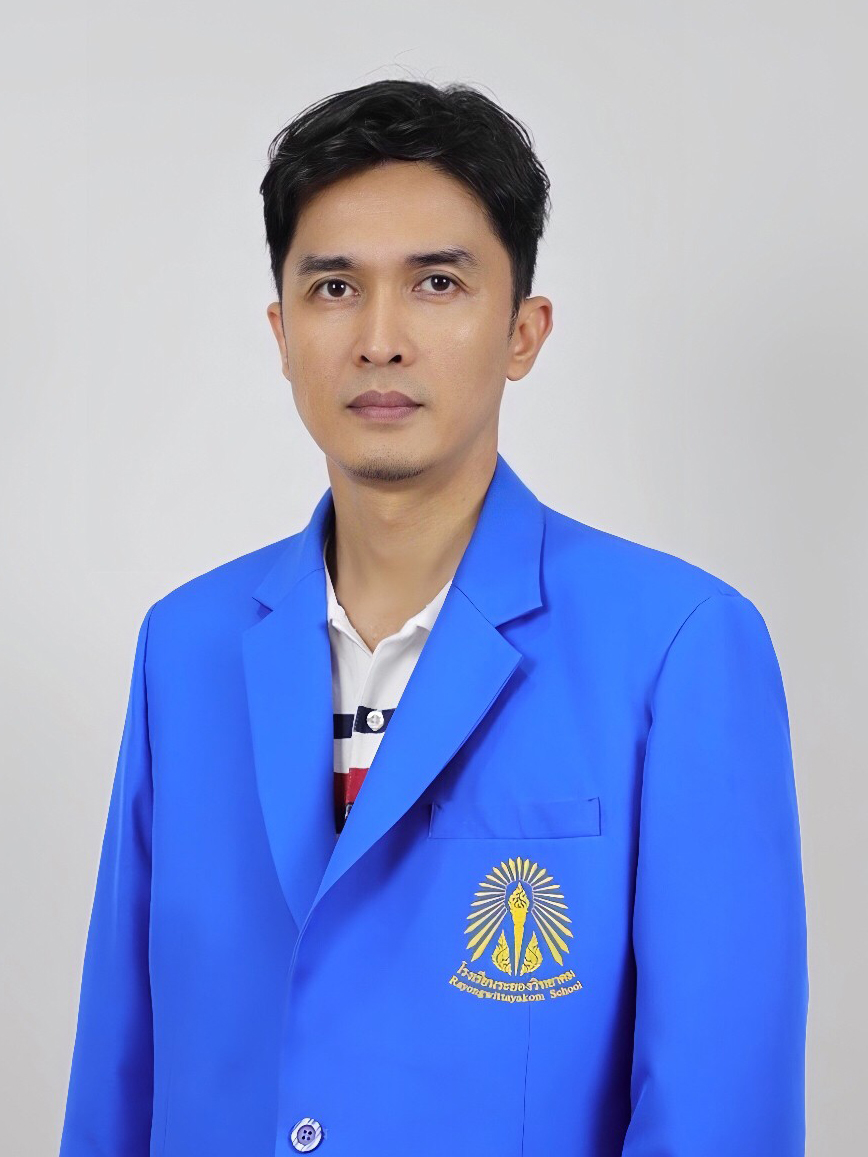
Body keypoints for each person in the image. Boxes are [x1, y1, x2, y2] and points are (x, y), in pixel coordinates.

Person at [58, 78, 808, 1157]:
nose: (380, 339)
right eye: (333, 287)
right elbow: (118, 1072)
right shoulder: (186, 645)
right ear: (280, 330)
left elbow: (718, 1112)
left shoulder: (678, 646)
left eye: (438, 283)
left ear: (522, 331)